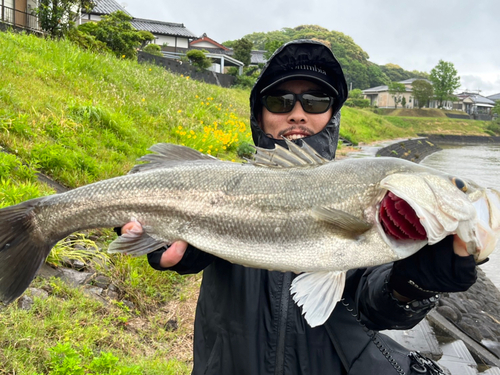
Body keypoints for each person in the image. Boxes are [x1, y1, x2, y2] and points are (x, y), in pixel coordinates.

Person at [121, 40, 477, 374]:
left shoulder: (372, 198)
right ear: (259, 115)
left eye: (316, 101)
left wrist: (414, 282)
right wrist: (169, 240)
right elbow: (174, 234)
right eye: (279, 101)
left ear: (331, 116)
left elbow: (376, 304)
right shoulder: (224, 183)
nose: (297, 114)